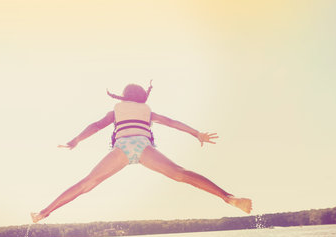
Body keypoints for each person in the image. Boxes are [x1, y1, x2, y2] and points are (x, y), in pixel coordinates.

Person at [31, 82, 252, 223]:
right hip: (142, 146)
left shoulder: (116, 110)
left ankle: (44, 212)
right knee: (179, 173)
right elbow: (171, 122)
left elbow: (96, 126)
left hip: (123, 148)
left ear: (124, 97)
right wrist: (196, 134)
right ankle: (229, 198)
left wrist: (75, 140)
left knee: (87, 183)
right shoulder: (147, 110)